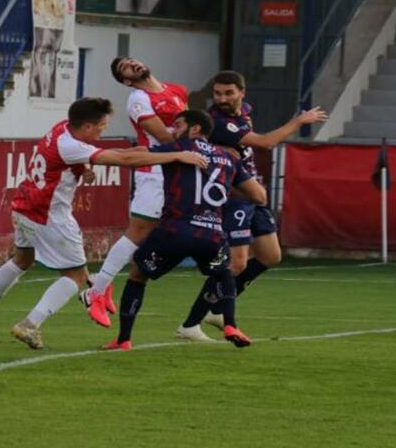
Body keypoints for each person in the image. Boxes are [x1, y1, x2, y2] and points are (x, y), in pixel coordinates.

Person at [0, 97, 209, 349]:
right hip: (48, 215)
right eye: (102, 125)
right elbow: (121, 160)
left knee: (22, 260)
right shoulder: (70, 144)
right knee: (77, 277)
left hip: (25, 206)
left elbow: (112, 154)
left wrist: (84, 168)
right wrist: (176, 156)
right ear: (88, 126)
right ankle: (30, 324)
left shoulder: (63, 129)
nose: (104, 130)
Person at [176, 72, 327, 339]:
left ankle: (217, 307)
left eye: (228, 93)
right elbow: (266, 143)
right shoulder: (218, 121)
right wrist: (299, 121)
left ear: (241, 93)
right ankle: (190, 323)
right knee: (235, 264)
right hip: (233, 197)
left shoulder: (244, 112)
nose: (222, 99)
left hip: (253, 196)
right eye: (218, 93)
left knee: (270, 256)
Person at [106, 109, 267, 350]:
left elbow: (133, 157)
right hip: (212, 234)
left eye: (178, 125)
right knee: (223, 271)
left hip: (175, 229)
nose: (172, 130)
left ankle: (123, 339)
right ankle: (231, 324)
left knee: (138, 274)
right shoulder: (229, 158)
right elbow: (259, 195)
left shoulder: (178, 148)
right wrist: (226, 184)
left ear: (195, 129)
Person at [81, 57, 190, 325]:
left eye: (132, 61)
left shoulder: (176, 90)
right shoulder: (138, 99)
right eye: (125, 69)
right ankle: (94, 292)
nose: (132, 65)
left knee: (151, 233)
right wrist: (195, 133)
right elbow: (165, 138)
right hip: (152, 170)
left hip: (174, 168)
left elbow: (185, 128)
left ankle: (102, 285)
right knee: (139, 231)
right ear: (127, 80)